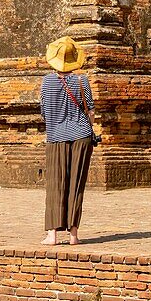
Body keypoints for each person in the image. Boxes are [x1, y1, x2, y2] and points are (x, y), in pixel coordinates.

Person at [39, 35, 95, 245]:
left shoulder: (47, 81)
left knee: (55, 184)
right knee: (76, 184)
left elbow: (43, 111)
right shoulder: (83, 80)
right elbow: (90, 111)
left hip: (56, 136)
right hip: (81, 135)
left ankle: (52, 234)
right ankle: (73, 235)